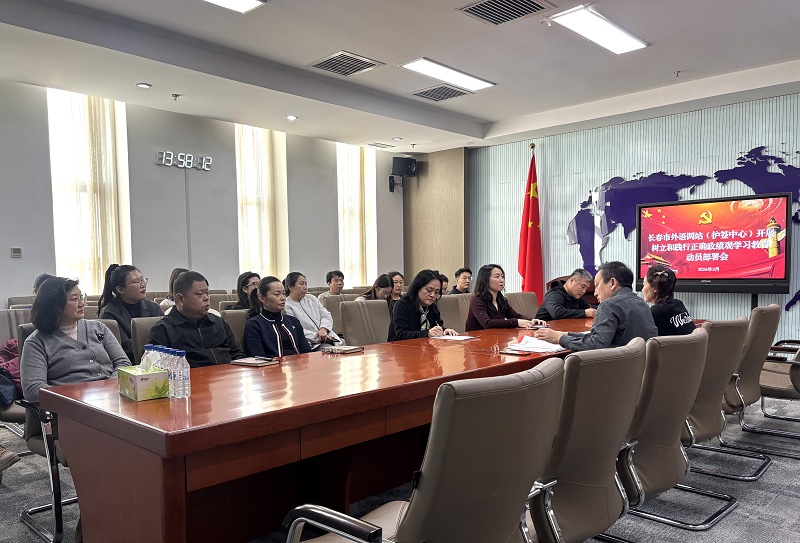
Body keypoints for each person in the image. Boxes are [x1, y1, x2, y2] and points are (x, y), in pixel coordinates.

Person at [20, 277, 130, 403]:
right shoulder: (36, 342)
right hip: (71, 407)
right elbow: (33, 390)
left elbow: (123, 363)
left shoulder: (98, 328)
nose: (82, 304)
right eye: (74, 299)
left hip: (112, 399)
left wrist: (109, 387)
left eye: (81, 297)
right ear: (55, 305)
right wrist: (77, 397)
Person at [535, 261, 658, 352]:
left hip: (615, 373)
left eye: (597, 285)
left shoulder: (609, 305)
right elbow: (600, 337)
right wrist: (565, 334)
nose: (595, 293)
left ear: (612, 283)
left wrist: (560, 339)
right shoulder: (642, 303)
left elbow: (596, 345)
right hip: (640, 372)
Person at [149, 271, 245, 367]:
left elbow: (238, 354)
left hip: (227, 373)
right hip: (190, 376)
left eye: (207, 293)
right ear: (180, 299)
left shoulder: (218, 322)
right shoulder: (163, 329)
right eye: (199, 294)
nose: (206, 298)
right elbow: (158, 368)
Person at [98, 264, 163, 362]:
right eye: (136, 282)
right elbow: (124, 348)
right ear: (120, 289)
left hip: (159, 361)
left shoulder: (153, 307)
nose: (143, 285)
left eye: (142, 280)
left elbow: (167, 336)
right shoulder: (109, 314)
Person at [243, 276, 312, 358]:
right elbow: (258, 357)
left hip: (299, 364)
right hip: (272, 365)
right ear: (262, 298)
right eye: (277, 294)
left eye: (284, 293)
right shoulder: (255, 324)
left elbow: (306, 351)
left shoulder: (293, 321)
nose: (283, 298)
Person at [465, 264, 545, 331]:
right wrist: (516, 322)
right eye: (497, 277)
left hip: (495, 339)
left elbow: (515, 316)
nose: (501, 280)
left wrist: (532, 321)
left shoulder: (501, 300)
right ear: (485, 280)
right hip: (476, 341)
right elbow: (487, 323)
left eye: (502, 277)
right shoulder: (477, 301)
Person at [388, 269, 457, 341]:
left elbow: (437, 325)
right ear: (417, 287)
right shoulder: (402, 305)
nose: (433, 295)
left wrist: (445, 330)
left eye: (436, 292)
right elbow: (401, 334)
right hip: (400, 346)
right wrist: (427, 333)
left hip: (424, 345)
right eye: (429, 290)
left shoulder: (431, 306)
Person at [283, 272, 345, 350]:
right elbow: (295, 329)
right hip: (312, 343)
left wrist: (323, 329)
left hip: (328, 336)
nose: (305, 287)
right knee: (332, 351)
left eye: (306, 284)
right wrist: (319, 336)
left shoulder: (311, 298)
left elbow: (326, 315)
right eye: (301, 284)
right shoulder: (287, 306)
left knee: (348, 346)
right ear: (290, 287)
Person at [643, 265, 695, 336]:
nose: (642, 289)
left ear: (654, 288)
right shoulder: (679, 304)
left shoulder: (655, 311)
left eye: (644, 284)